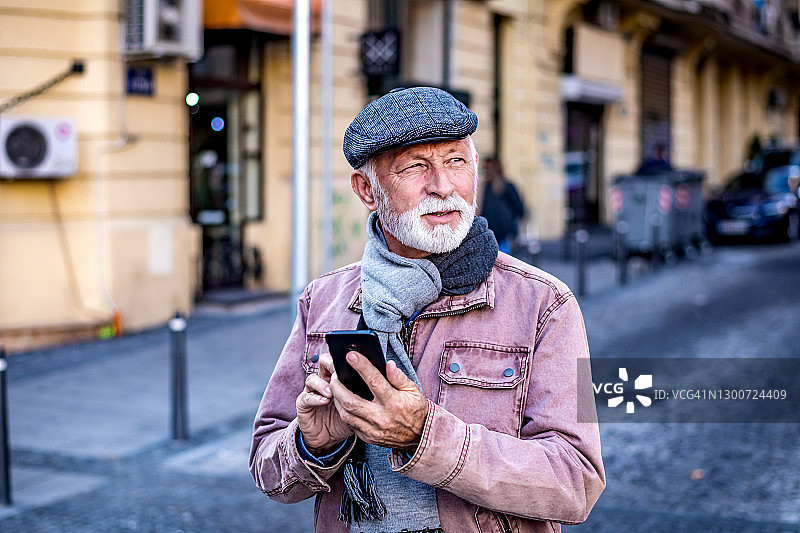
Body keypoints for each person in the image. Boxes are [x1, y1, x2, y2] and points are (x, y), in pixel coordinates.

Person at [249, 86, 605, 533]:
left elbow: (576, 482)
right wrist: (313, 445)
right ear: (367, 190)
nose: (442, 185)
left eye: (455, 161)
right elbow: (267, 468)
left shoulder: (542, 304)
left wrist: (425, 436)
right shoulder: (323, 300)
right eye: (415, 166)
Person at [480, 155, 526, 254]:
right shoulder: (486, 186)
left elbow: (519, 208)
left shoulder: (507, 186)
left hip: (504, 235)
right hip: (490, 233)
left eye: (488, 168)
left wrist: (512, 226)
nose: (486, 171)